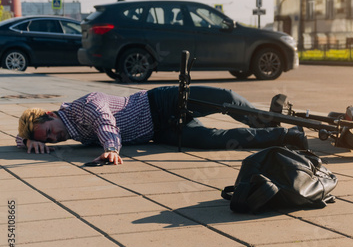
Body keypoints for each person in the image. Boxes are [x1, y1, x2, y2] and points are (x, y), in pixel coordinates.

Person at [16, 86, 308, 165]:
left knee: (226, 100)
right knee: (214, 139)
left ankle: (272, 118)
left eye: (51, 131)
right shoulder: (58, 129)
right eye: (51, 140)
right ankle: (287, 134)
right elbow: (19, 140)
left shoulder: (85, 105)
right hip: (161, 132)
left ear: (50, 113)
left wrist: (111, 149)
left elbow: (104, 122)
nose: (57, 137)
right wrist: (28, 141)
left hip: (161, 102)